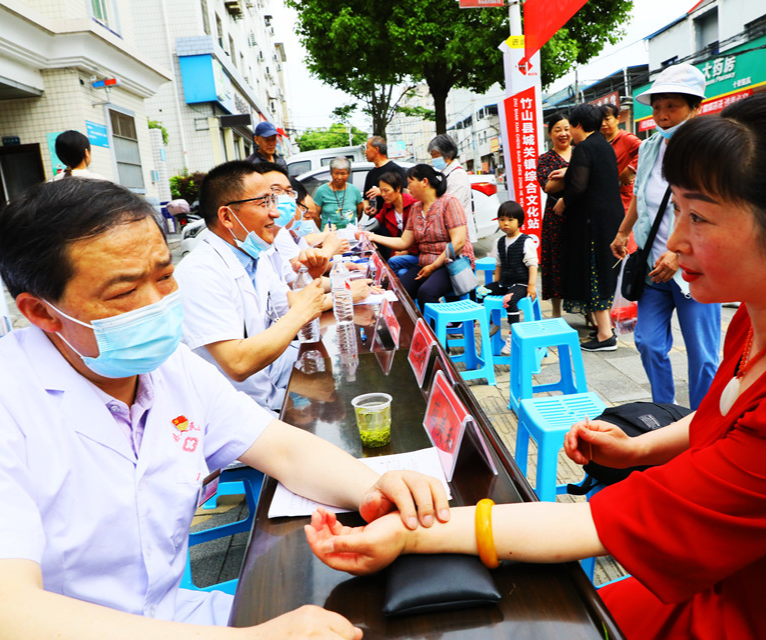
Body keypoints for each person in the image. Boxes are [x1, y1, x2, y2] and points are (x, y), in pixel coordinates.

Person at [305, 90, 766, 640]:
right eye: (677, 211)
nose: (674, 242)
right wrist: (642, 447)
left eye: (701, 218)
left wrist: (414, 535)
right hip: (728, 580)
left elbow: (604, 521)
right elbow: (727, 409)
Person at [0, 177, 451, 638]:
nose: (158, 304)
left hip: (179, 617)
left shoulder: (169, 367)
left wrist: (375, 489)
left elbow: (281, 448)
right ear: (41, 312)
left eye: (163, 276)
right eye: (123, 293)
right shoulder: (11, 405)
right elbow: (12, 610)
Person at [174, 161, 325, 414]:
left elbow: (288, 303)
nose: (276, 213)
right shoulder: (199, 272)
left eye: (273, 201)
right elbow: (238, 363)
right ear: (227, 216)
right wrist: (302, 311)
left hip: (270, 387)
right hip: (231, 413)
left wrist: (314, 282)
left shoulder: (255, 255)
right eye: (264, 202)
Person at [610, 63, 721, 408]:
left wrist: (679, 252)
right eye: (657, 107)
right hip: (652, 267)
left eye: (672, 106)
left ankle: (699, 421)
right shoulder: (648, 148)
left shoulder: (709, 150)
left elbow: (708, 210)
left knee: (702, 353)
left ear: (694, 107)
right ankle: (665, 410)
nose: (662, 114)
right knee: (647, 341)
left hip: (694, 268)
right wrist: (623, 231)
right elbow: (643, 198)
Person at [547, 104, 624, 352]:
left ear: (578, 125)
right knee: (603, 271)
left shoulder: (584, 148)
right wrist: (568, 172)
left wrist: (563, 202)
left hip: (593, 222)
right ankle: (606, 329)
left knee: (594, 273)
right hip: (610, 219)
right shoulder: (603, 145)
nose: (569, 133)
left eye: (570, 127)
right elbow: (592, 175)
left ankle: (604, 334)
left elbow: (579, 186)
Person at [367, 164, 474, 307]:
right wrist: (372, 237)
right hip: (426, 263)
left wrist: (434, 266)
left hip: (451, 263)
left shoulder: (449, 202)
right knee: (399, 290)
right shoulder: (416, 208)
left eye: (410, 182)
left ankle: (442, 327)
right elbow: (404, 241)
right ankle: (414, 325)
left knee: (427, 292)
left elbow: (458, 242)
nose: (408, 187)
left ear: (424, 182)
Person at [477, 201, 538, 356]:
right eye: (502, 219)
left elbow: (532, 265)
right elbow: (498, 264)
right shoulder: (499, 241)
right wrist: (496, 283)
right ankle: (492, 324)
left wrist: (531, 286)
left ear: (519, 222)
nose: (506, 223)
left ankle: (512, 337)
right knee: (480, 292)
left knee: (509, 300)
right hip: (504, 282)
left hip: (521, 283)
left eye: (510, 220)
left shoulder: (526, 241)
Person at [537, 112, 572, 320]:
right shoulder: (545, 159)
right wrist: (577, 173)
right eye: (558, 129)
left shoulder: (580, 153)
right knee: (555, 263)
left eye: (567, 128)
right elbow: (548, 186)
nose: (563, 133)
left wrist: (567, 174)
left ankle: (588, 313)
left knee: (579, 262)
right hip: (554, 217)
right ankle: (557, 313)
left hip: (579, 215)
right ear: (550, 133)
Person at [600, 103, 641, 242]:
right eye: (600, 120)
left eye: (607, 119)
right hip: (608, 198)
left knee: (626, 237)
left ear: (617, 119)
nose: (603, 124)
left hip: (626, 197)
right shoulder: (602, 142)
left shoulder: (626, 138)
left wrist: (630, 169)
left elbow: (646, 151)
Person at [427, 134, 476, 242]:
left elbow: (451, 206)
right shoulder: (445, 172)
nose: (434, 159)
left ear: (448, 154)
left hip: (458, 233)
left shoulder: (458, 175)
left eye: (436, 155)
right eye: (432, 156)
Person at [371, 171, 417, 264]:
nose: (383, 195)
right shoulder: (387, 205)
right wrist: (361, 229)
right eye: (381, 191)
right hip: (398, 251)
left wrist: (407, 251)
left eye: (386, 190)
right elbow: (377, 220)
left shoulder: (414, 204)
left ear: (398, 188)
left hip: (416, 251)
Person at [311, 157, 363, 229]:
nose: (339, 177)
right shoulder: (321, 191)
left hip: (351, 235)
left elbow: (359, 213)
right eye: (336, 173)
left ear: (349, 173)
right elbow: (316, 216)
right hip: (330, 235)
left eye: (343, 173)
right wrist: (325, 231)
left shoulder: (354, 190)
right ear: (331, 173)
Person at [362, 136, 408, 215]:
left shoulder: (396, 170)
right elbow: (366, 198)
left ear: (376, 149)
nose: (365, 152)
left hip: (392, 219)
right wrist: (367, 208)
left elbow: (406, 193)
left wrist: (382, 191)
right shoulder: (371, 174)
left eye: (367, 148)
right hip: (376, 220)